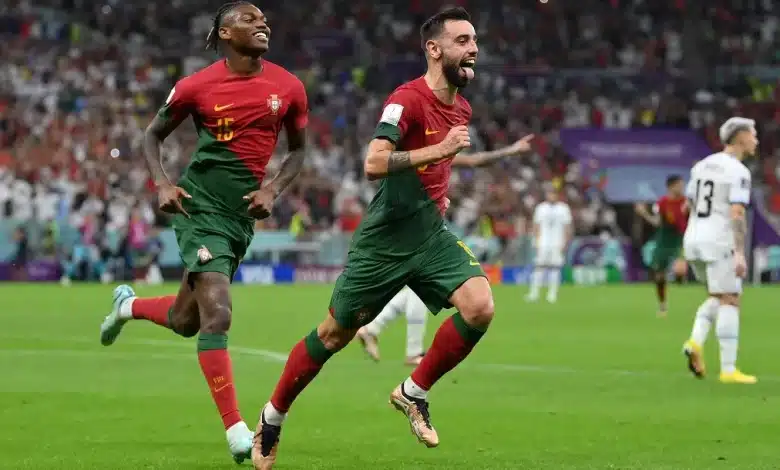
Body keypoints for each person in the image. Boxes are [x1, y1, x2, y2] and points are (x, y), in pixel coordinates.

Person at [250, 8, 532, 469]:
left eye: (475, 40)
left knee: (480, 306)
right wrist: (439, 150)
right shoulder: (406, 99)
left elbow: (443, 163)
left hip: (431, 235)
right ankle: (272, 416)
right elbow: (374, 163)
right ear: (434, 49)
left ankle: (413, 392)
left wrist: (445, 177)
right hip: (384, 242)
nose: (474, 49)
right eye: (462, 41)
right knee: (333, 334)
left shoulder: (461, 107)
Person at [97, 2, 308, 463]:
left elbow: (298, 151)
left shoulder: (289, 87)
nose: (262, 23)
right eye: (249, 19)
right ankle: (236, 430)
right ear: (225, 33)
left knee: (185, 320)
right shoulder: (197, 86)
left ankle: (127, 306)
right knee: (219, 314)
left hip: (240, 218)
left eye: (263, 18)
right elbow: (152, 135)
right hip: (199, 207)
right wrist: (162, 183)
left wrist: (272, 188)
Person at [355, 154, 530, 365]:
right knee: (421, 289)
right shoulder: (418, 161)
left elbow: (469, 162)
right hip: (410, 233)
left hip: (408, 232)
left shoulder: (421, 161)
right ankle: (411, 350)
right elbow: (468, 162)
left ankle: (373, 329)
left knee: (415, 292)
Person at [682, 117, 757, 384]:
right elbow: (736, 212)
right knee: (731, 299)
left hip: (694, 238)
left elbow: (688, 205)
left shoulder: (701, 166)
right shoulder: (739, 172)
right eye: (753, 134)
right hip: (719, 240)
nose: (756, 140)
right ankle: (728, 369)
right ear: (740, 138)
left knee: (717, 295)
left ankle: (695, 342)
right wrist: (739, 251)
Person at [635, 175, 689, 316]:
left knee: (680, 270)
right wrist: (644, 213)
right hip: (663, 241)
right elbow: (657, 222)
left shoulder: (687, 202)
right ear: (670, 187)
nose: (682, 188)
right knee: (659, 276)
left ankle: (683, 282)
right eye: (679, 185)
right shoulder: (662, 203)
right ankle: (663, 305)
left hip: (681, 240)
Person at [526, 190, 572, 303]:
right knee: (539, 267)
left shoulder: (563, 208)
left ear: (557, 195)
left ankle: (552, 294)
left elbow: (567, 226)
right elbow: (536, 225)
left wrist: (566, 242)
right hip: (543, 242)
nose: (551, 196)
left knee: (555, 268)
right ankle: (534, 293)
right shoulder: (541, 208)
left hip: (557, 243)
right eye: (550, 194)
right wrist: (536, 241)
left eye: (553, 194)